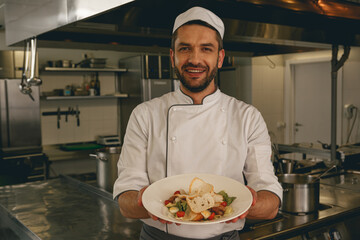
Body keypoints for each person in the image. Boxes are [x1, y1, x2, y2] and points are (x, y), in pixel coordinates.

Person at [113, 6, 282, 240]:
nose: (194, 59)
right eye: (185, 48)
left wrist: (250, 202)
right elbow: (126, 203)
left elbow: (271, 204)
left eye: (206, 49)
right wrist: (144, 201)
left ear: (220, 58)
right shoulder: (145, 115)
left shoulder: (247, 117)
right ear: (172, 56)